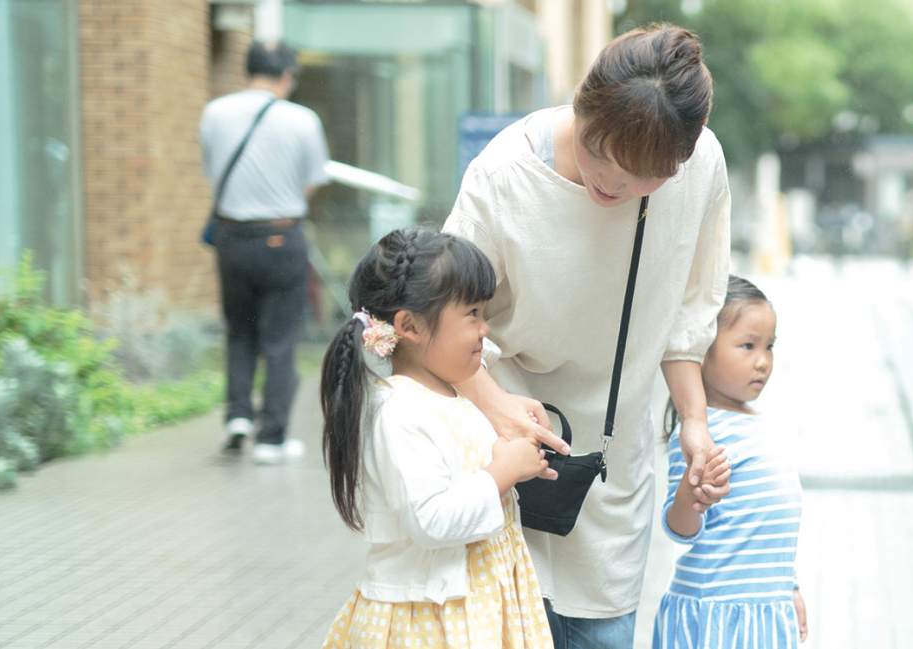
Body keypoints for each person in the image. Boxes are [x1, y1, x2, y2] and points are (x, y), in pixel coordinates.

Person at [441, 25, 733, 647]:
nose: (614, 184)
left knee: (602, 628)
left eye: (644, 178)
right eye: (600, 153)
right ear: (581, 103)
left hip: (612, 459)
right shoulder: (503, 177)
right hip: (500, 441)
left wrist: (695, 421)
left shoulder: (701, 165)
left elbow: (687, 312)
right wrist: (500, 411)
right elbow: (440, 321)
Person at [317, 228, 555, 648]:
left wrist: (516, 456)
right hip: (432, 620)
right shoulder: (401, 413)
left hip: (471, 608)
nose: (485, 330)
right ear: (410, 326)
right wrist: (503, 471)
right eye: (472, 314)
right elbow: (432, 521)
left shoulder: (453, 394)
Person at [652, 277, 806, 648]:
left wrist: (790, 586)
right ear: (702, 350)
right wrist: (688, 497)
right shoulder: (700, 433)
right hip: (718, 615)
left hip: (765, 611)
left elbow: (765, 527)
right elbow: (679, 529)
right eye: (748, 346)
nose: (763, 361)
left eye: (769, 347)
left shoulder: (759, 422)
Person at [199, 41, 330, 464]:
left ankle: (237, 417)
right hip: (281, 237)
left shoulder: (214, 113)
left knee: (239, 330)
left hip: (232, 238)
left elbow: (211, 170)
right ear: (287, 75)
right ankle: (271, 438)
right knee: (279, 339)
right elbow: (310, 183)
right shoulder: (302, 120)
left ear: (247, 70)